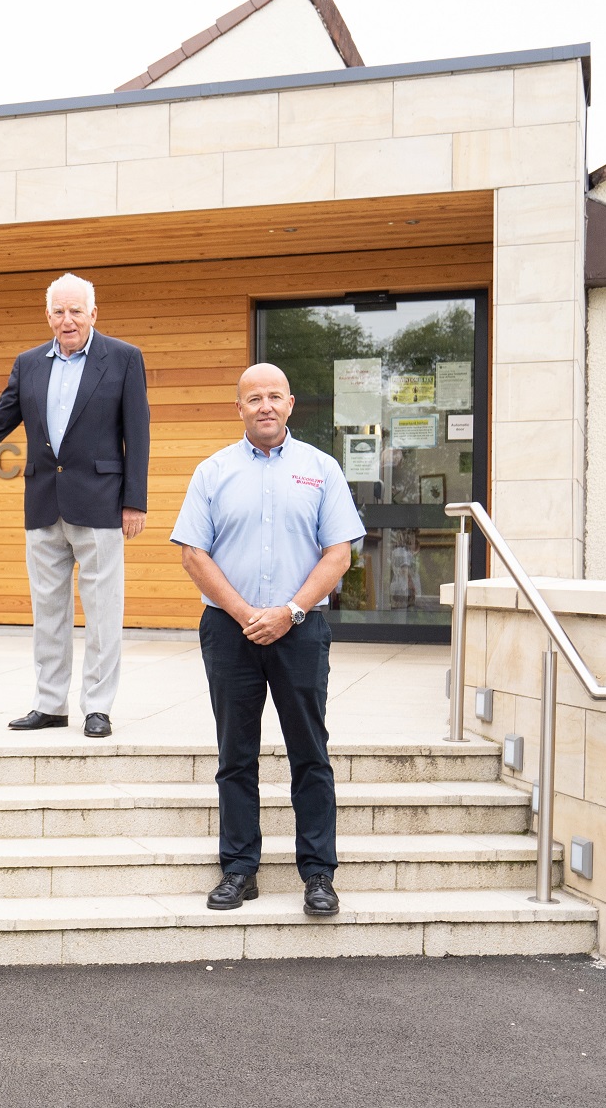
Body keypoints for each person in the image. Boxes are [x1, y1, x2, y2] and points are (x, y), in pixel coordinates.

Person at [0, 273, 149, 739]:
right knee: (48, 611)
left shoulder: (123, 358)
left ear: (93, 314)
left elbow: (136, 432)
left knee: (102, 610)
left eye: (76, 311)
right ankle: (50, 703)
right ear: (48, 316)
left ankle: (97, 706)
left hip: (101, 503)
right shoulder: (28, 364)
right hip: (43, 503)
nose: (67, 320)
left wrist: (134, 501)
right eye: (59, 311)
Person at [170, 363, 365, 917]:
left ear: (290, 403)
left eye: (273, 396)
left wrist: (291, 611)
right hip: (229, 632)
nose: (264, 406)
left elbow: (339, 553)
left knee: (310, 753)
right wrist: (244, 613)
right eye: (253, 398)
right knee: (236, 754)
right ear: (239, 409)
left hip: (301, 630)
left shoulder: (321, 469)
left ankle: (318, 875)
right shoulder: (212, 471)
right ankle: (238, 870)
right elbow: (192, 553)